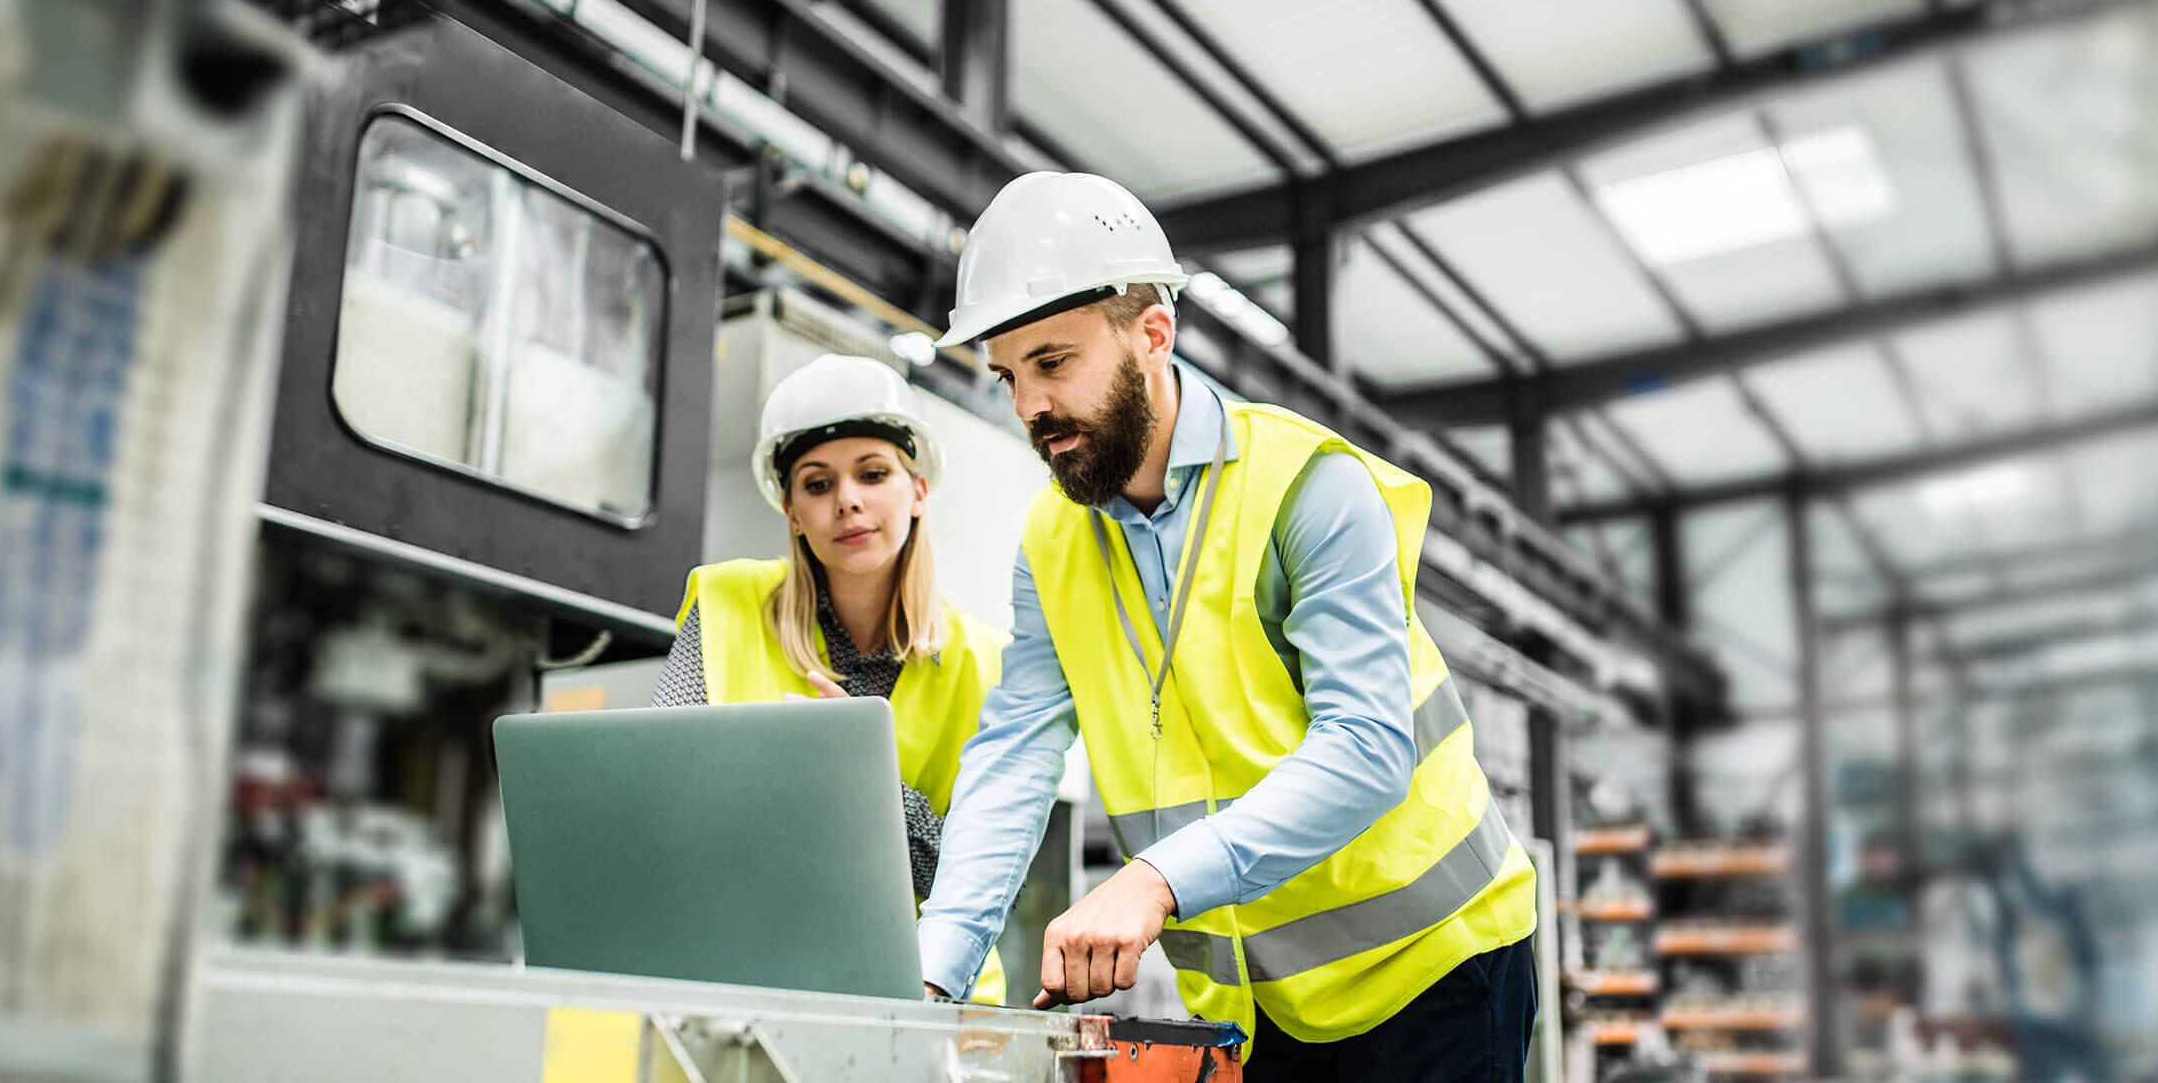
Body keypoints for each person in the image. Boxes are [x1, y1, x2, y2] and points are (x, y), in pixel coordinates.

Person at [915, 173, 1538, 1081]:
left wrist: (1155, 881)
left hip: (1439, 968)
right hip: (1269, 1004)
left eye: (1054, 363)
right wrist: (936, 977)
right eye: (1009, 376)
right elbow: (1014, 754)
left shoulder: (1309, 490)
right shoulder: (1052, 543)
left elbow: (1367, 746)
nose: (1028, 408)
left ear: (1152, 336)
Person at [653, 353, 1008, 1005]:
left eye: (873, 474)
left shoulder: (987, 663)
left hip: (930, 993)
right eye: (817, 485)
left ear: (918, 490)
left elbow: (971, 872)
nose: (847, 500)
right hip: (750, 977)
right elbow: (662, 797)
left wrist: (859, 773)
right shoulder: (725, 603)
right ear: (791, 512)